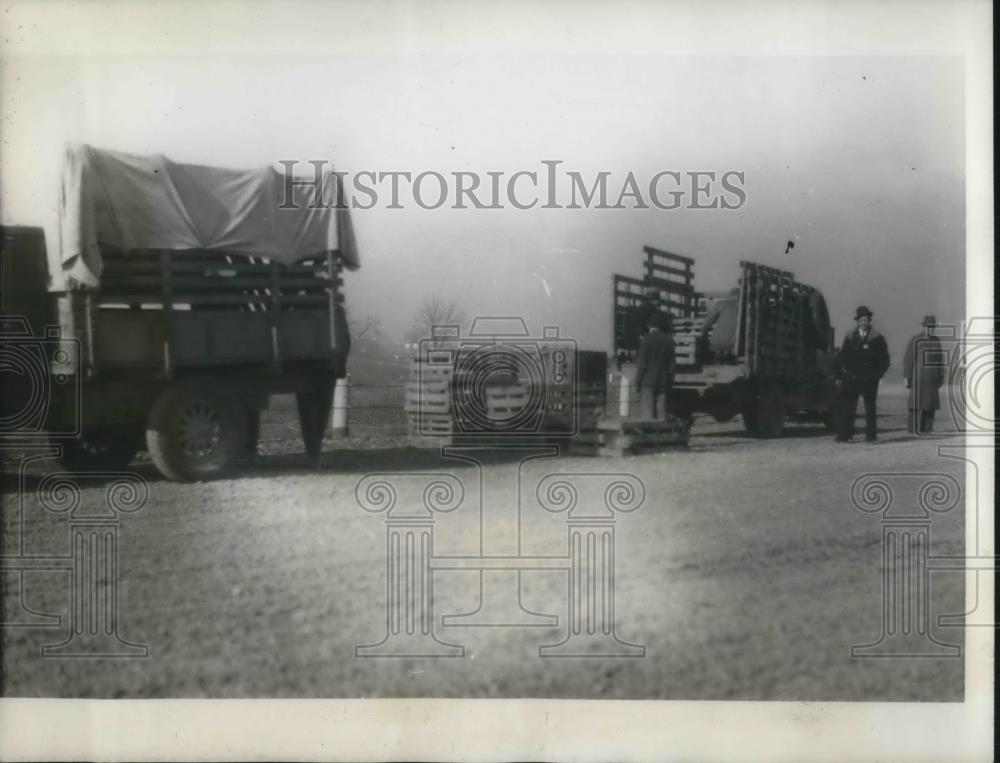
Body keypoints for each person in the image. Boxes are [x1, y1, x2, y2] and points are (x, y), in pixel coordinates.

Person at [832, 305, 890, 442]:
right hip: (852, 378)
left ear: (870, 321)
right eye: (861, 320)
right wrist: (839, 374)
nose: (864, 323)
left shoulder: (877, 338)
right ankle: (845, 435)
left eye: (866, 320)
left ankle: (871, 436)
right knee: (848, 407)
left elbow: (885, 360)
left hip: (870, 379)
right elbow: (842, 356)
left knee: (870, 408)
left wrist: (878, 375)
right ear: (858, 321)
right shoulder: (850, 336)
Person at [903, 315, 945, 433]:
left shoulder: (936, 341)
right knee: (915, 404)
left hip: (932, 380)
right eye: (928, 327)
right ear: (924, 326)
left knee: (930, 405)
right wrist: (907, 376)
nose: (931, 329)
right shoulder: (915, 340)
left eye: (932, 327)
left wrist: (941, 377)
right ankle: (913, 429)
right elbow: (908, 359)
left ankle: (927, 429)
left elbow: (940, 361)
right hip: (918, 378)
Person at [634, 312, 675, 420]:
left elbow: (642, 365)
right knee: (662, 419)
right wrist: (669, 384)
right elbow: (672, 367)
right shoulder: (669, 341)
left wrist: (636, 383)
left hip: (648, 385)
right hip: (663, 384)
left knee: (648, 421)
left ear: (649, 326)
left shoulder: (646, 341)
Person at [697, 287, 740, 363]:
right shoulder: (744, 307)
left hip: (718, 344)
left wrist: (703, 334)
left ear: (729, 296)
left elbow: (708, 322)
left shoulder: (721, 304)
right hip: (737, 346)